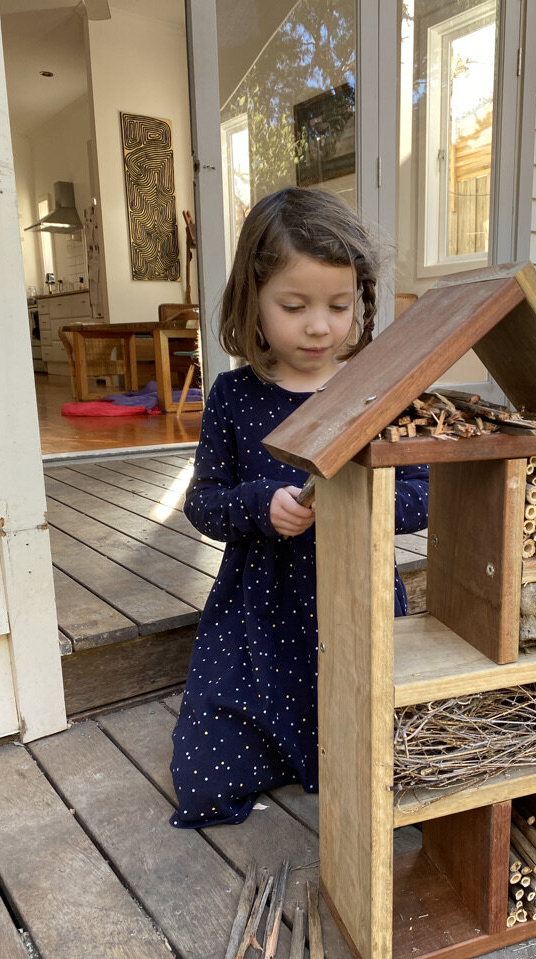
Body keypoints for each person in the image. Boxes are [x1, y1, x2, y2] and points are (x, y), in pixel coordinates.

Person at [169, 187, 428, 828]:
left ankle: (332, 747)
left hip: (358, 612)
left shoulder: (377, 390)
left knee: (396, 760)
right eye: (294, 305)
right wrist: (261, 505)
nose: (319, 326)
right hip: (256, 618)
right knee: (204, 779)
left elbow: (421, 497)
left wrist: (353, 497)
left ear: (360, 301)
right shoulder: (234, 395)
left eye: (339, 305)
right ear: (252, 302)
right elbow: (202, 504)